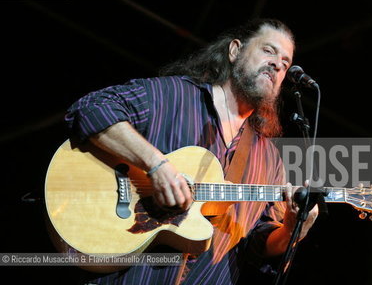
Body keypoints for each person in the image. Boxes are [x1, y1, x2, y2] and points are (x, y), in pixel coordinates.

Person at [64, 18, 319, 284]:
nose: (278, 64)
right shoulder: (174, 97)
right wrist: (156, 165)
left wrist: (291, 228)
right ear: (234, 51)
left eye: (286, 62)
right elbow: (93, 107)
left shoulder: (269, 160)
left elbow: (257, 245)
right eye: (268, 50)